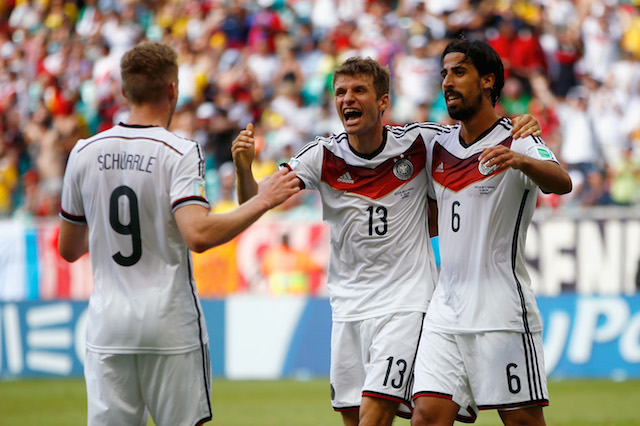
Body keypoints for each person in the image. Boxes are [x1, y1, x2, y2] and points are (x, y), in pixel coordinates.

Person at [232, 56, 541, 426]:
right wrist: (242, 169)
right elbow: (254, 202)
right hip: (347, 306)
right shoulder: (322, 155)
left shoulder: (419, 142)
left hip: (405, 304)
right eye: (341, 92)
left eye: (359, 90)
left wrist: (519, 125)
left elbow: (473, 134)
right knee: (354, 417)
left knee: (375, 416)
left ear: (383, 102)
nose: (348, 98)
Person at [57, 41, 300, 426]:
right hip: (169, 326)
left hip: (108, 328)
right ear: (173, 89)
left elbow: (68, 249)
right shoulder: (179, 151)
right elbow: (198, 235)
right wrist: (262, 199)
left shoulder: (85, 152)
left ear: (124, 90)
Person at [411, 38, 572, 426]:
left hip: (501, 310)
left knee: (522, 422)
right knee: (427, 417)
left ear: (487, 81)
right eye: (444, 73)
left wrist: (520, 159)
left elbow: (561, 182)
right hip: (445, 309)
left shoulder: (518, 139)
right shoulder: (438, 144)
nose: (447, 81)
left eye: (459, 72)